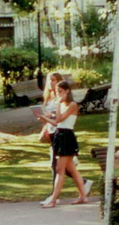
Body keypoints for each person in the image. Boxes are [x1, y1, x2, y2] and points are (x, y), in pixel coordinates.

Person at [38, 72, 92, 205]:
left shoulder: (72, 104)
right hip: (59, 134)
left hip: (67, 136)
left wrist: (58, 104)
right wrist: (43, 117)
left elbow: (61, 118)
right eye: (57, 91)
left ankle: (54, 199)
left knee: (60, 170)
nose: (58, 94)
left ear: (67, 91)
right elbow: (56, 122)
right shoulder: (62, 105)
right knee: (71, 169)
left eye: (60, 91)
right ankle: (83, 195)